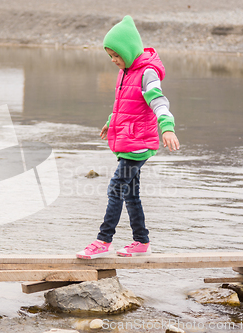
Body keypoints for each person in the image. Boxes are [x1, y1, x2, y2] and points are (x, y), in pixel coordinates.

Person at [76, 15, 180, 259]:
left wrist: (167, 127)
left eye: (116, 55)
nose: (113, 60)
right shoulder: (126, 71)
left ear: (129, 50)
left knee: (116, 188)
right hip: (128, 140)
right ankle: (141, 242)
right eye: (110, 56)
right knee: (131, 193)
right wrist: (110, 123)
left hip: (138, 144)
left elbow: (158, 101)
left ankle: (103, 240)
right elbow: (124, 104)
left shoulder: (147, 73)